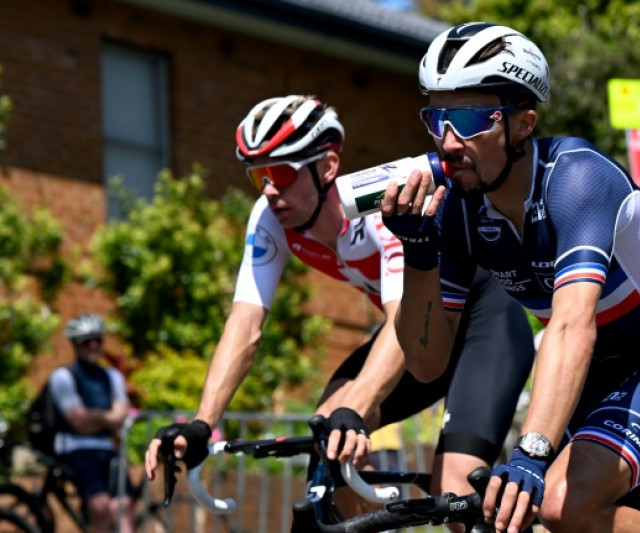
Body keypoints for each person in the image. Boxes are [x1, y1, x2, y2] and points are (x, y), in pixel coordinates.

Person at [379, 23, 640, 533]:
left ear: (523, 125)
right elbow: (427, 363)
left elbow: (571, 326)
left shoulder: (577, 179)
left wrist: (531, 453)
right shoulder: (458, 210)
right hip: (593, 371)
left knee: (561, 505)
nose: (448, 142)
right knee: (519, 517)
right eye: (437, 118)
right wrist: (419, 252)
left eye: (471, 118)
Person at [142, 95, 535, 529]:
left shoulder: (381, 204)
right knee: (327, 444)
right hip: (414, 335)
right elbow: (245, 323)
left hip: (482, 329)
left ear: (327, 167)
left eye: (281, 173)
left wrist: (359, 407)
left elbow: (398, 314)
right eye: (259, 177)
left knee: (454, 485)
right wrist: (202, 423)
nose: (271, 190)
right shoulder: (272, 218)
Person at [52, 313, 134, 533]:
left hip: (107, 449)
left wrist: (94, 417)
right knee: (99, 506)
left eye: (98, 339)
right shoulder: (63, 376)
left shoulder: (112, 376)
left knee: (123, 505)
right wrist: (108, 418)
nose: (94, 345)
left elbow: (121, 415)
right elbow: (77, 421)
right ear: (76, 345)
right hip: (76, 449)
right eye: (87, 341)